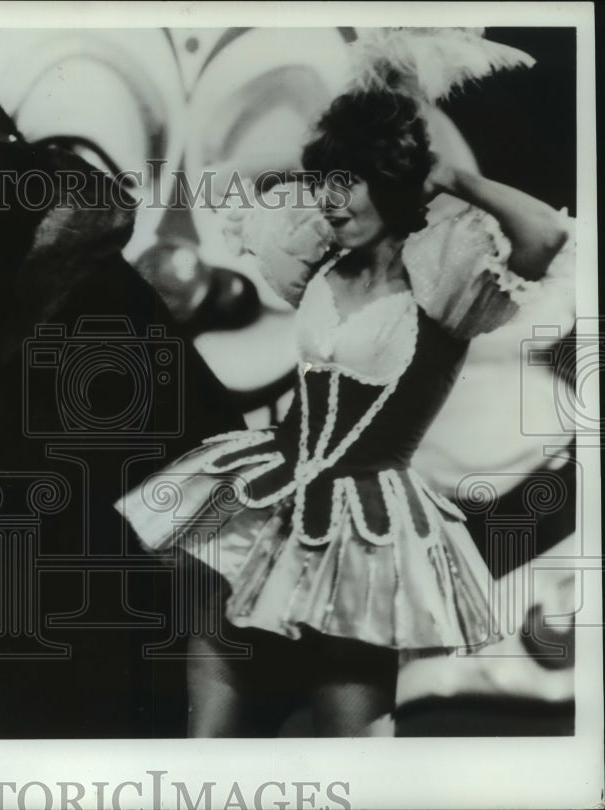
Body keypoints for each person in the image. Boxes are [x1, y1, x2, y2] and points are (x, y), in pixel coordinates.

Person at [115, 88, 574, 737]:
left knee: (348, 737)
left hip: (368, 526)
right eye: (323, 179)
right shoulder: (318, 261)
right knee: (215, 681)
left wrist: (453, 177)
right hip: (267, 492)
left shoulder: (447, 285)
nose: (329, 199)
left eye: (349, 180)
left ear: (393, 183)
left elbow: (547, 235)